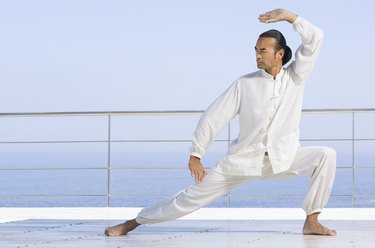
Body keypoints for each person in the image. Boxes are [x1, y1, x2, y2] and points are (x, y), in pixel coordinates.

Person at [105, 8, 337, 237]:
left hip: (284, 158)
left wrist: (289, 16)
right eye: (255, 50)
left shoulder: (296, 77)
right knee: (189, 198)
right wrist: (196, 153)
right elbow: (214, 116)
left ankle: (312, 221)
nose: (257, 55)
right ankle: (133, 223)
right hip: (242, 162)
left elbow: (316, 37)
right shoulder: (244, 84)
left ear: (280, 53)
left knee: (326, 155)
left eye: (263, 50)